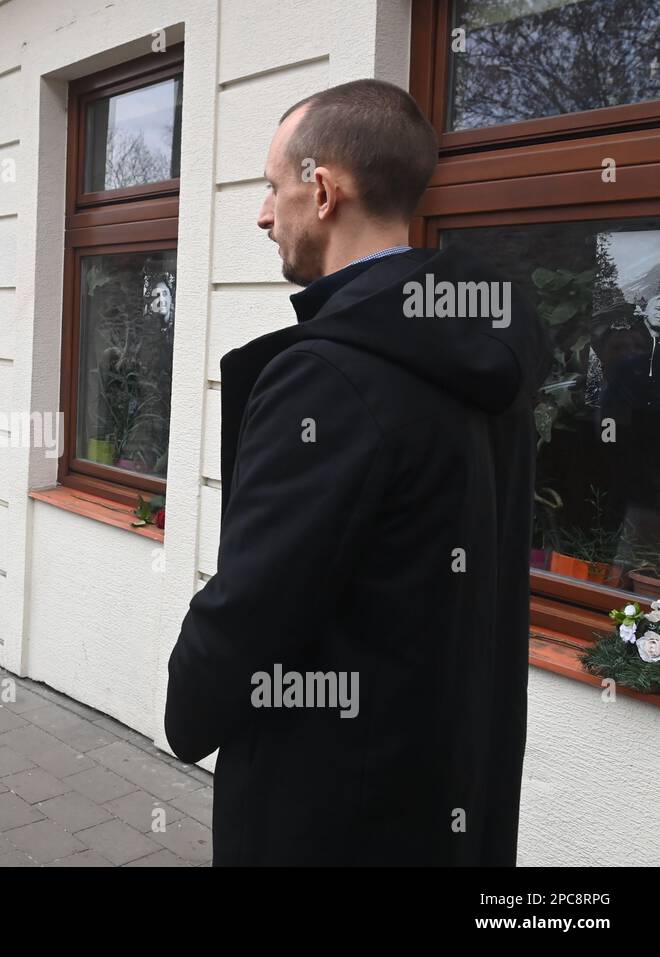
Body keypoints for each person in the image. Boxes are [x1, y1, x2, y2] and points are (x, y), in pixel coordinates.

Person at [164, 79, 552, 866]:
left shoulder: (327, 378)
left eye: (273, 189)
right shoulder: (482, 348)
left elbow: (253, 608)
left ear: (322, 189)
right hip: (449, 786)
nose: (264, 214)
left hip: (333, 810)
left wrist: (187, 709)